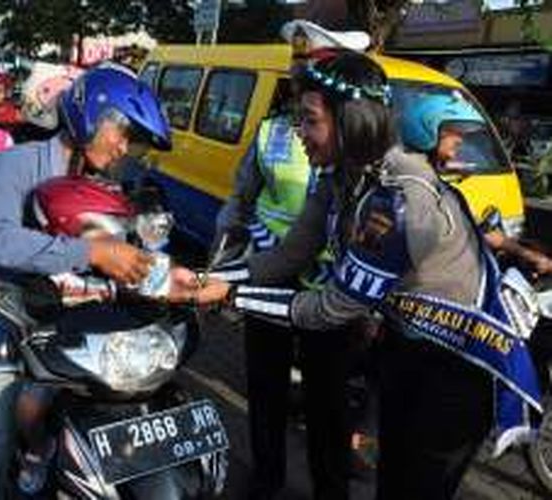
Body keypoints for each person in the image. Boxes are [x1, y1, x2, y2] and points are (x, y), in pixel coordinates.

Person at [186, 50, 542, 499]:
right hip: (406, 350)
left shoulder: (397, 200)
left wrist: (226, 296)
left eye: (309, 120)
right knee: (390, 478)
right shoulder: (343, 175)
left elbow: (326, 309)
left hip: (457, 369)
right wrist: (208, 279)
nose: (298, 133)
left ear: (350, 120)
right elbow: (291, 253)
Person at [0, 64, 178, 500]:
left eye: (134, 142)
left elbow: (143, 252)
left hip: (94, 318)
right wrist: (91, 252)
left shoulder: (121, 183)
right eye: (121, 133)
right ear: (92, 115)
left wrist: (180, 281)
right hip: (13, 314)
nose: (126, 148)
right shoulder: (15, 165)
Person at [213, 77, 358, 499]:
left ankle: (331, 488)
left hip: (330, 288)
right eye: (298, 70)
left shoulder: (360, 147)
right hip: (269, 271)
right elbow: (241, 200)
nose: (299, 79)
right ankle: (266, 477)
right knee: (265, 386)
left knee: (328, 400)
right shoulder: (271, 130)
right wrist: (221, 265)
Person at [401, 94, 552, 276]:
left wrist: (529, 254)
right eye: (454, 131)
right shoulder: (415, 190)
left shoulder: (433, 184)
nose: (460, 140)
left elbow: (480, 231)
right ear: (427, 130)